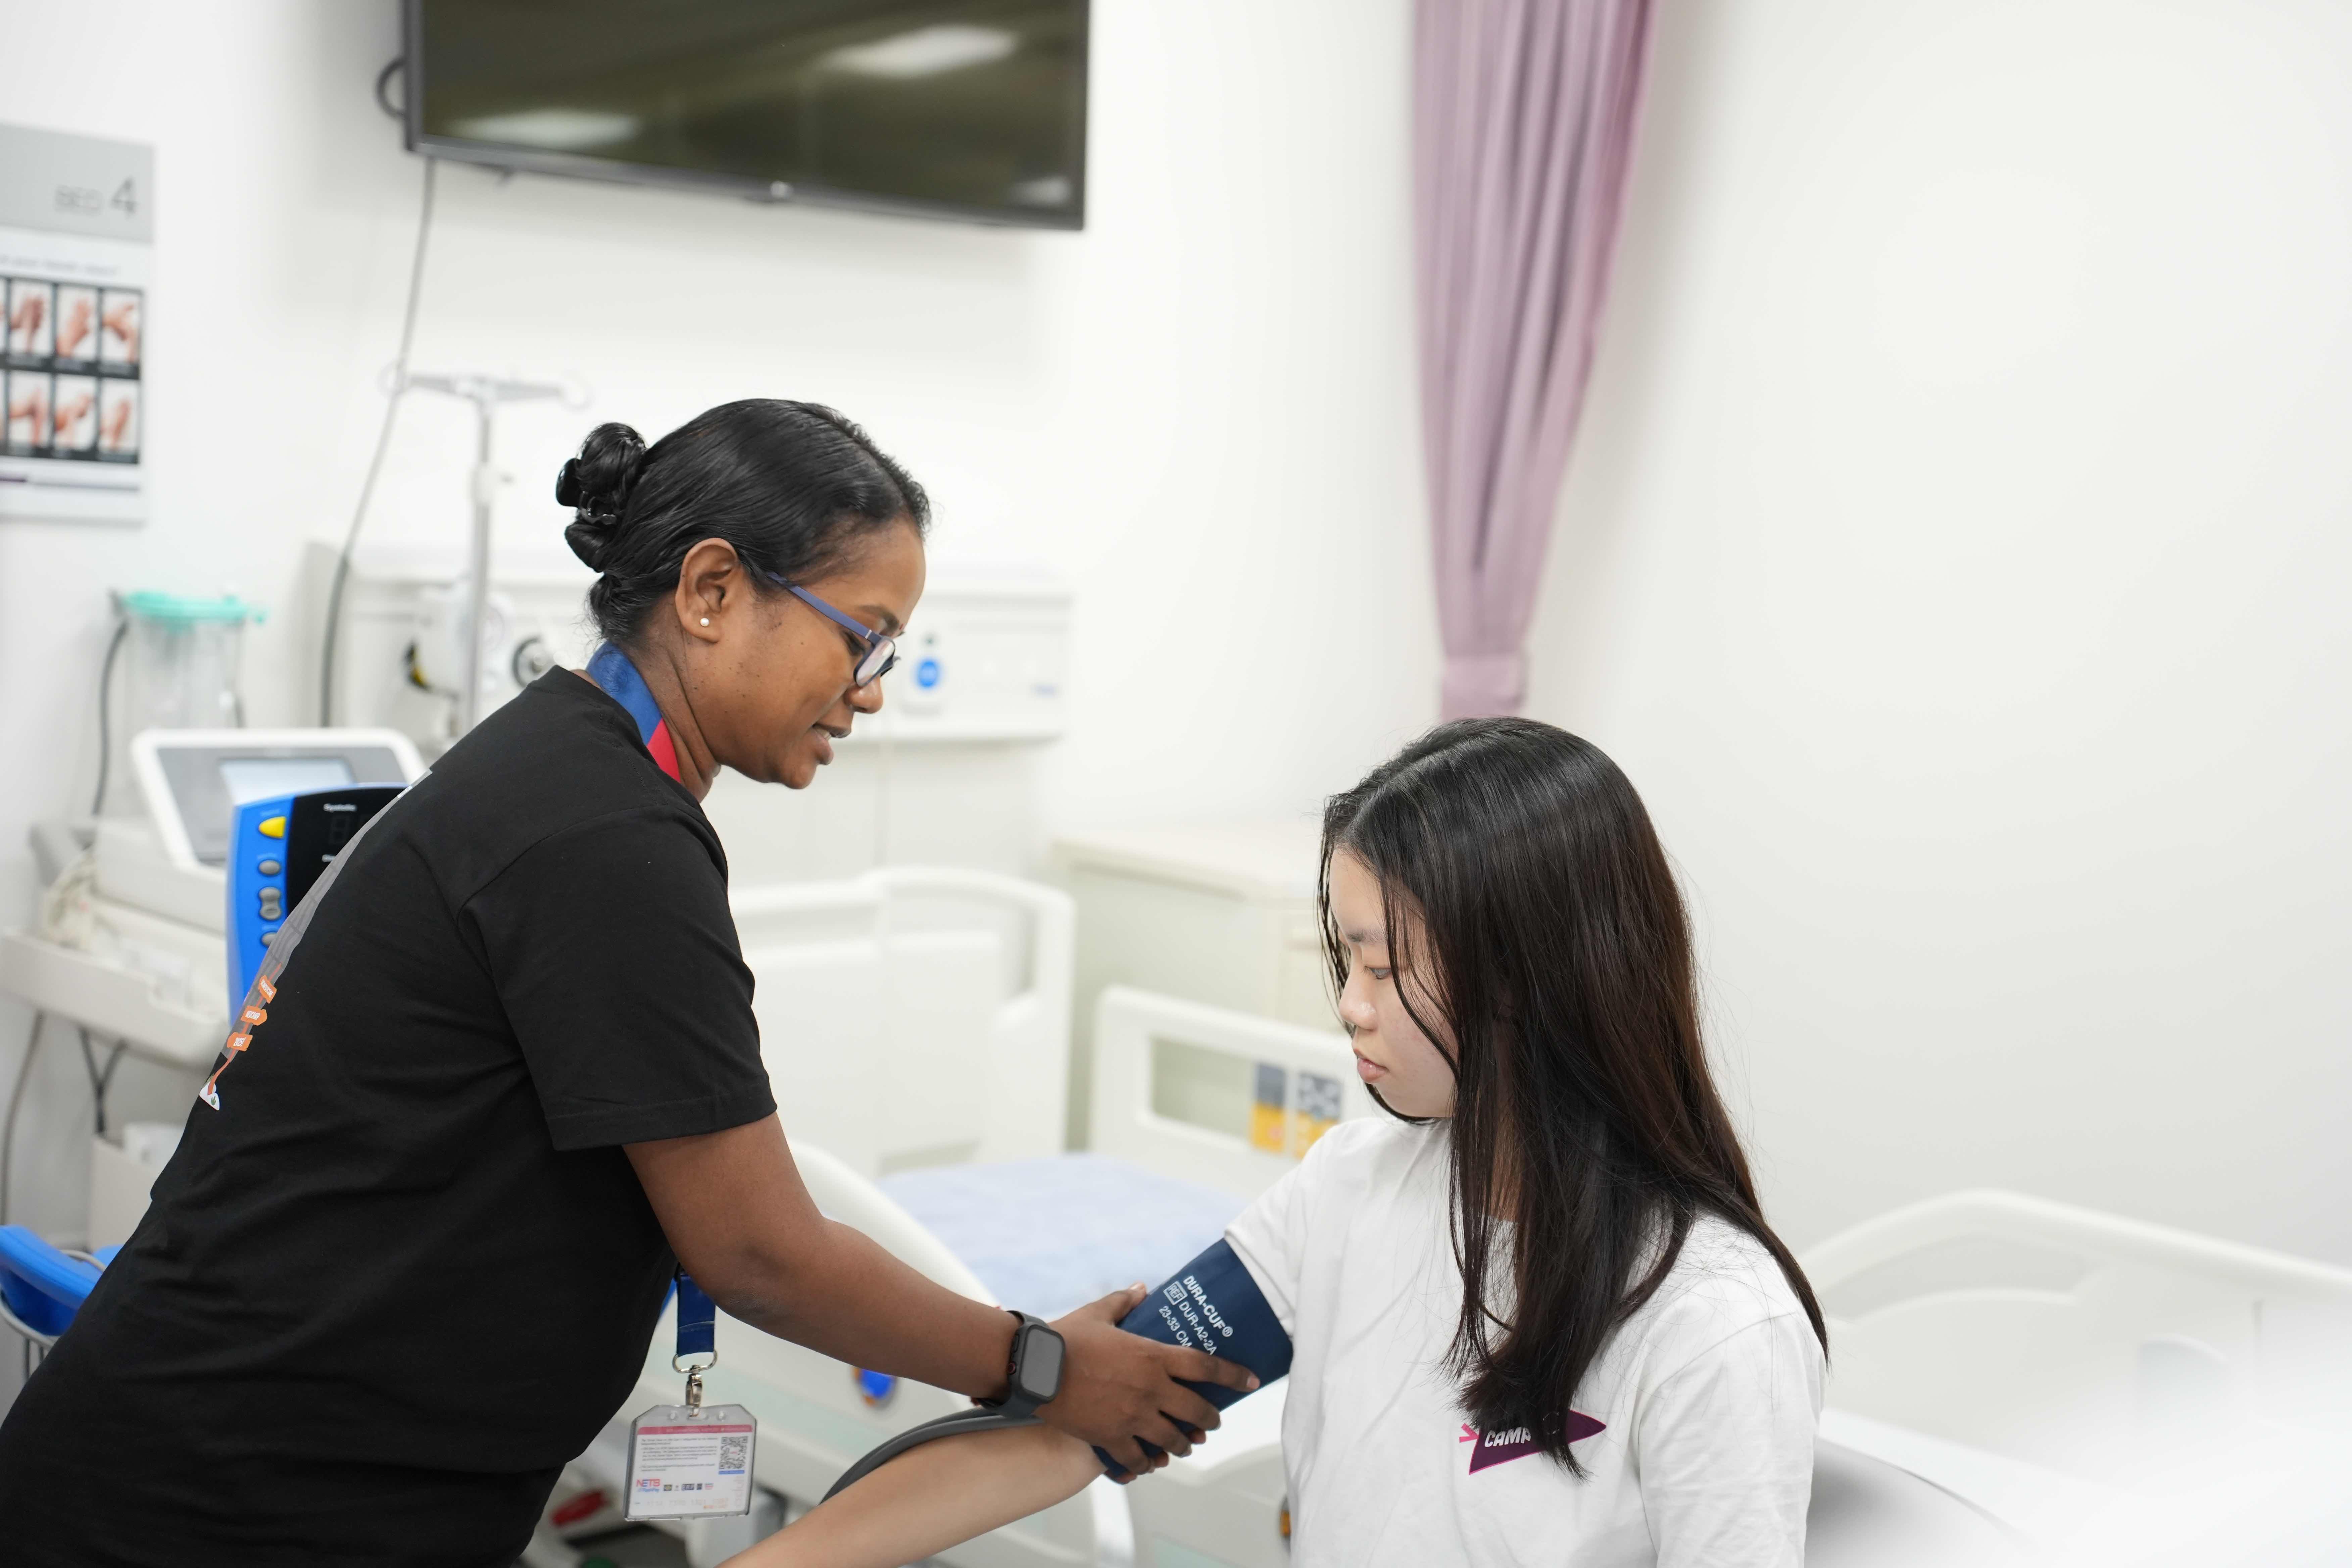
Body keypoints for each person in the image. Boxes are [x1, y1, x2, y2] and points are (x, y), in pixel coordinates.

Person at [0, 401, 1250, 1567]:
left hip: (233, 1473)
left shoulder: (560, 769)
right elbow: (759, 1254)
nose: (872, 693)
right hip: (216, 1509)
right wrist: (1042, 1366)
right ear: (712, 591)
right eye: (862, 639)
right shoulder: (603, 835)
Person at [727, 718, 1829, 1568]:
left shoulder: (1711, 1324)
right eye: (1346, 959)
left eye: (1384, 966)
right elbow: (1076, 1431)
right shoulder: (1347, 1193)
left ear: (1533, 977)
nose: (1351, 1005)